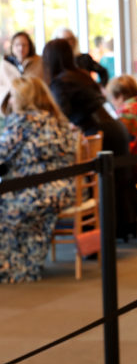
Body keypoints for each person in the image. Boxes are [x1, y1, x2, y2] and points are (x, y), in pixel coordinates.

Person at [42, 38, 137, 240]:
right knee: (116, 181)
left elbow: (61, 116)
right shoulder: (81, 76)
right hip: (114, 128)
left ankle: (99, 234)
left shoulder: (60, 82)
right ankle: (120, 229)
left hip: (98, 131)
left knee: (101, 183)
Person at [0, 76, 79, 283]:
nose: (10, 102)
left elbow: (2, 153)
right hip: (64, 189)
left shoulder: (23, 121)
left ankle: (12, 268)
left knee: (4, 206)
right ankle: (24, 264)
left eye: (13, 97)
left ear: (24, 99)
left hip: (35, 192)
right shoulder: (59, 120)